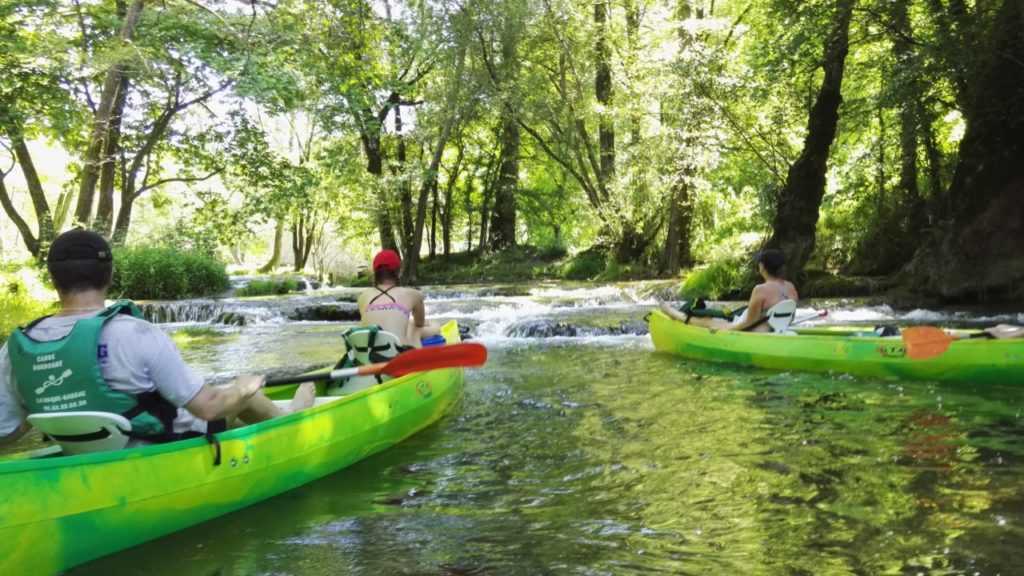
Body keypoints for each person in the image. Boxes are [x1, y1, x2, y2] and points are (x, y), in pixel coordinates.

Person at [0, 228, 315, 448]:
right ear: (110, 275)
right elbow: (209, 408)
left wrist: (46, 403)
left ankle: (272, 420)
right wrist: (244, 387)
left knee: (227, 406)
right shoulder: (137, 333)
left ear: (52, 279)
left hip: (82, 454)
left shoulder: (15, 349)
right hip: (156, 448)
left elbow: (6, 434)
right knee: (243, 395)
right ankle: (292, 417)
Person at [659, 248, 799, 333]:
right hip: (776, 328)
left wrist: (724, 330)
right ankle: (675, 313)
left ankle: (672, 313)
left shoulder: (760, 290)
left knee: (708, 321)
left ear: (762, 267)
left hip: (758, 330)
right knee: (723, 317)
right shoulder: (790, 287)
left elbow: (748, 323)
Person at [357, 249, 437, 348]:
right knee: (416, 329)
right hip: (399, 355)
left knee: (409, 325)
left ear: (375, 273)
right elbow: (420, 323)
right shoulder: (413, 294)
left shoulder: (362, 298)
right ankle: (436, 329)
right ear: (399, 271)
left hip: (367, 354)